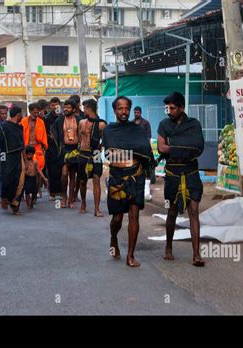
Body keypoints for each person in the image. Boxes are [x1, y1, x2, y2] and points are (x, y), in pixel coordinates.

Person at [102, 96, 154, 268]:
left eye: (126, 108)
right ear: (114, 110)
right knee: (117, 218)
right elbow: (110, 154)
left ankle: (130, 255)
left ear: (130, 110)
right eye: (120, 108)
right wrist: (131, 153)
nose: (123, 112)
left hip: (136, 176)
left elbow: (145, 151)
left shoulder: (137, 130)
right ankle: (113, 238)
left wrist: (135, 158)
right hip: (117, 177)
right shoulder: (109, 131)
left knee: (134, 213)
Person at [157, 92, 205, 267]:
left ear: (182, 108)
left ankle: (196, 254)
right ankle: (168, 247)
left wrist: (173, 145)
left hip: (191, 171)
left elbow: (198, 146)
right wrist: (184, 147)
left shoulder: (194, 124)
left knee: (194, 211)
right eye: (167, 108)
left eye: (172, 108)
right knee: (172, 211)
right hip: (172, 173)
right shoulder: (164, 124)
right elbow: (161, 148)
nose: (169, 111)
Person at [0, 106, 25, 216]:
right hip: (6, 156)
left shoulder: (20, 127)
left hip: (18, 157)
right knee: (7, 180)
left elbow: (22, 145)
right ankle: (5, 198)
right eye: (21, 114)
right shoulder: (4, 127)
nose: (22, 116)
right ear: (18, 115)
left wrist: (26, 161)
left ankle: (16, 206)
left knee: (20, 181)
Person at [78, 99, 107, 216]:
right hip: (83, 153)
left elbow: (105, 140)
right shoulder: (81, 122)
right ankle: (83, 204)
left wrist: (99, 147)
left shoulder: (101, 124)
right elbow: (80, 138)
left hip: (95, 154)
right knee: (82, 180)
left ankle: (97, 209)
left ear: (89, 109)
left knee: (96, 179)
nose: (83, 110)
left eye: (84, 108)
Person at [51, 98, 82, 208]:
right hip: (64, 150)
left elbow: (82, 134)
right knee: (64, 174)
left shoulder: (79, 120)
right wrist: (58, 145)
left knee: (73, 175)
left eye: (69, 107)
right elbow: (53, 131)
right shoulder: (60, 120)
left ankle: (71, 199)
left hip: (75, 150)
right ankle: (64, 196)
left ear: (74, 109)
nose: (66, 109)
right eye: (65, 107)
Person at [20, 102, 48, 203]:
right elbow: (20, 136)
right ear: (30, 111)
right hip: (26, 149)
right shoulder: (23, 121)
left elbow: (44, 136)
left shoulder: (41, 122)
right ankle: (23, 193)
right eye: (35, 112)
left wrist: (45, 149)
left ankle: (35, 194)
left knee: (38, 173)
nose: (36, 113)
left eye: (38, 112)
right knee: (25, 172)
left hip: (38, 149)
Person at [44, 97, 63, 200]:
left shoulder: (63, 117)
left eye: (57, 105)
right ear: (50, 106)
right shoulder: (46, 119)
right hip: (50, 148)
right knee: (52, 171)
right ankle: (52, 193)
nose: (55, 107)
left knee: (61, 171)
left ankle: (61, 192)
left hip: (62, 148)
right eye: (53, 105)